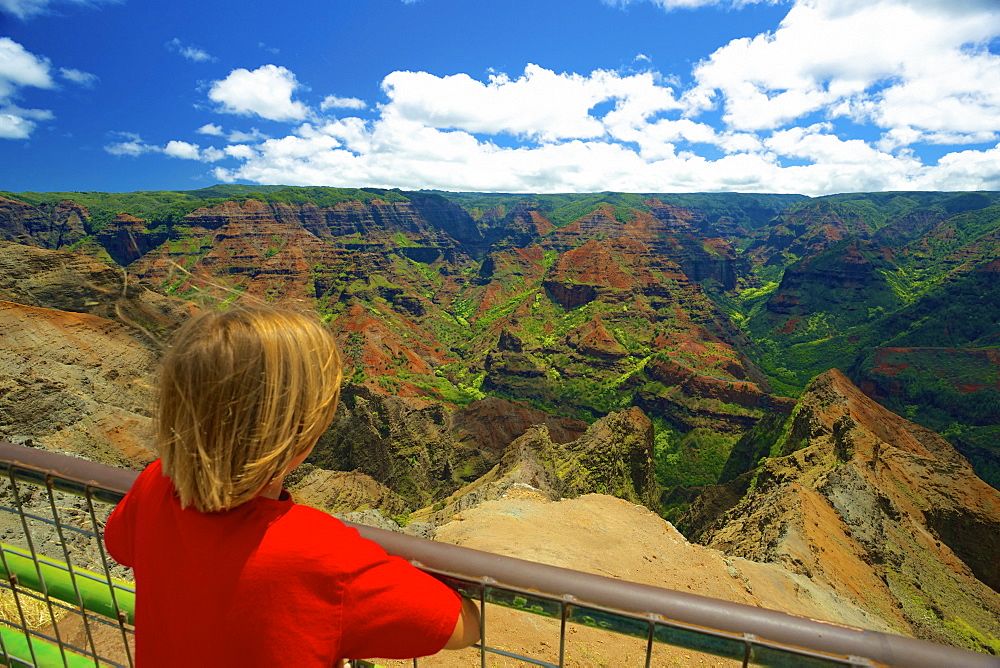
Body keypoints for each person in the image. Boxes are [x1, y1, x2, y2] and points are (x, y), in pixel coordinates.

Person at [105, 306, 480, 666]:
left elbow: (119, 545)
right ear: (301, 432)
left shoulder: (154, 483)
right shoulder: (322, 554)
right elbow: (463, 627)